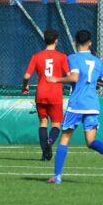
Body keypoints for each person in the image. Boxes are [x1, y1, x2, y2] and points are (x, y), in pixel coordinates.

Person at [46, 30, 103, 184]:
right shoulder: (97, 61)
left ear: (75, 42)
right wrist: (94, 82)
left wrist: (56, 79)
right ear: (90, 43)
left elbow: (74, 77)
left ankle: (58, 177)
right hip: (92, 104)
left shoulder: (72, 58)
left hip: (77, 104)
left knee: (64, 139)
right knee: (91, 141)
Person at [22, 29, 70, 161]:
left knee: (43, 122)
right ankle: (49, 142)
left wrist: (24, 85)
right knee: (56, 124)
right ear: (56, 40)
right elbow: (69, 75)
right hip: (55, 94)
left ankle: (45, 154)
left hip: (41, 93)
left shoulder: (36, 56)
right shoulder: (62, 57)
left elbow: (26, 75)